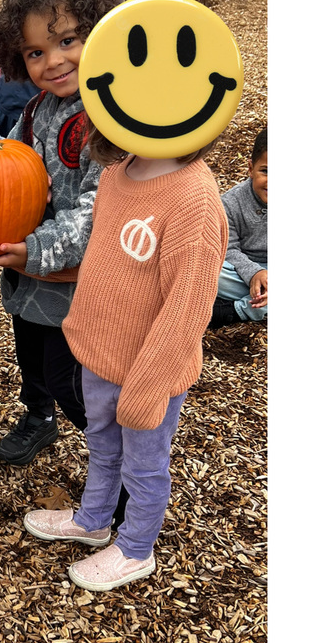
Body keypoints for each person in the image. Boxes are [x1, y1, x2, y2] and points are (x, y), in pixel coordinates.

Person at [23, 120, 229, 592]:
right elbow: (105, 262)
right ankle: (94, 518)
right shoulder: (118, 172)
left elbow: (188, 305)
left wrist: (150, 384)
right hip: (101, 355)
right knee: (103, 445)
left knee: (145, 463)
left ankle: (137, 546)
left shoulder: (193, 199)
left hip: (148, 368)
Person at [0, 0, 120, 471]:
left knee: (69, 377)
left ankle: (114, 450)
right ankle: (38, 417)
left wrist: (33, 250)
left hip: (72, 278)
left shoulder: (110, 115)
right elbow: (7, 172)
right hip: (30, 274)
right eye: (36, 52)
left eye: (67, 41)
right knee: (31, 358)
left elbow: (94, 209)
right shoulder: (38, 109)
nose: (53, 61)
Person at [209, 126, 267, 327]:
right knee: (210, 272)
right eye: (266, 171)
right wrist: (254, 273)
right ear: (251, 168)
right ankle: (260, 304)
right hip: (240, 271)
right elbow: (228, 247)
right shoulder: (231, 202)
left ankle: (235, 310)